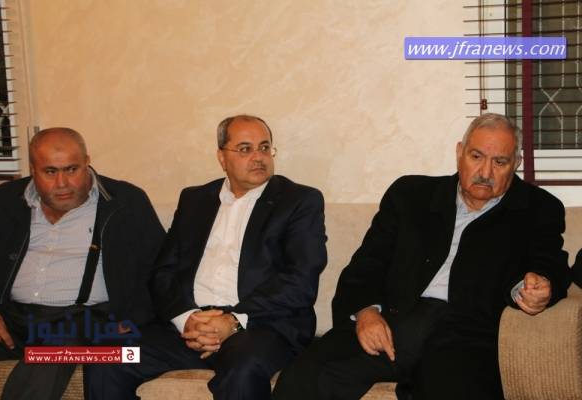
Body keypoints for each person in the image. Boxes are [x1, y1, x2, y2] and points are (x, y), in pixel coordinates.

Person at [272, 113, 570, 400]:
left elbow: (550, 265)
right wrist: (365, 313)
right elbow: (367, 264)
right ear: (460, 153)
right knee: (303, 378)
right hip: (393, 319)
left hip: (467, 336)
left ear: (516, 163)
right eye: (476, 156)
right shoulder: (411, 195)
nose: (485, 172)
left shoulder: (538, 209)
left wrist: (538, 287)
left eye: (500, 162)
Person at [86, 115, 327, 400]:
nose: (258, 157)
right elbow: (163, 272)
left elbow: (301, 280)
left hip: (260, 327)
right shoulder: (195, 200)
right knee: (107, 357)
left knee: (243, 371)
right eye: (245, 149)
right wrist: (186, 319)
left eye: (264, 147)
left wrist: (232, 320)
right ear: (222, 157)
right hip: (188, 328)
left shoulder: (299, 201)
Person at [0, 128, 165, 400]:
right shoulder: (4, 199)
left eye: (71, 169)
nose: (63, 183)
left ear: (87, 162)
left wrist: (132, 318)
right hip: (13, 321)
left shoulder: (125, 202)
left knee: (59, 346)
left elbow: (160, 270)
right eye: (50, 172)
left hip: (83, 322)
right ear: (33, 170)